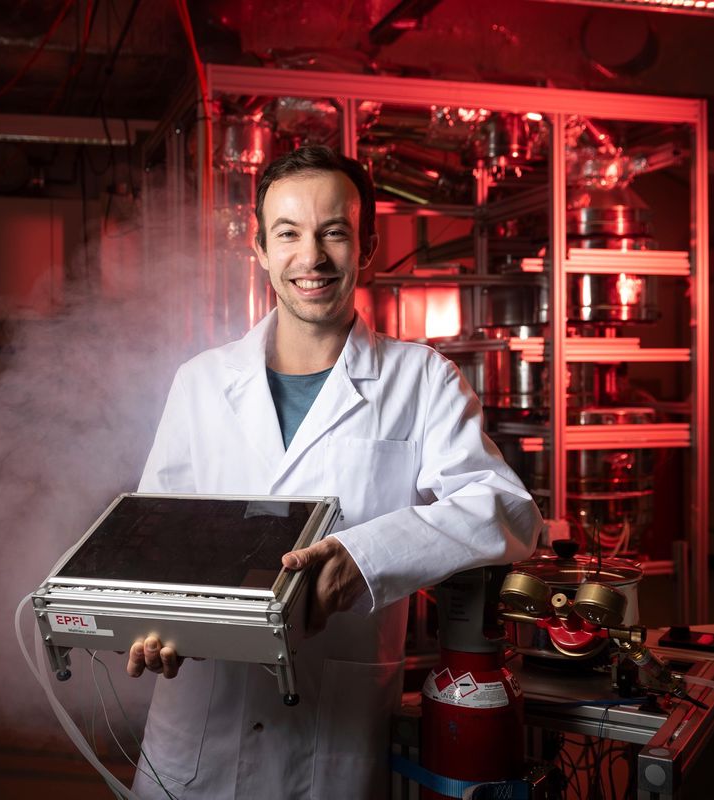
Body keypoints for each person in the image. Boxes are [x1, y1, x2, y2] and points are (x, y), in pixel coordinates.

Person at [128, 145, 542, 799]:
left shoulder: (420, 379)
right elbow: (156, 535)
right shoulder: (202, 383)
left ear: (366, 246)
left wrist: (363, 557)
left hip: (327, 750)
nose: (312, 258)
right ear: (260, 250)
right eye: (288, 234)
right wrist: (154, 620)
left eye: (334, 233)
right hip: (198, 742)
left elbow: (508, 510)